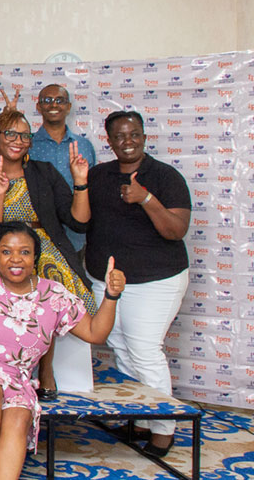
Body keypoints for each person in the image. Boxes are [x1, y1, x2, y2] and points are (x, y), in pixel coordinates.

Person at [0, 223, 124, 480]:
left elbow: (95, 334)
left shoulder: (53, 294)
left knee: (20, 415)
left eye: (24, 252)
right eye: (6, 251)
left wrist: (111, 297)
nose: (15, 259)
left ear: (35, 257)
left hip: (16, 377)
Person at [0, 108, 93, 401]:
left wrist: (80, 181)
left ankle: (45, 368)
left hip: (43, 250)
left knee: (49, 282)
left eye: (24, 135)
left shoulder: (44, 172)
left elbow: (78, 221)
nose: (18, 140)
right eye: (10, 133)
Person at [86, 110, 192, 456]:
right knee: (121, 350)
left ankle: (163, 429)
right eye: (119, 136)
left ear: (145, 137)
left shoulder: (165, 177)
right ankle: (140, 419)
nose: (127, 142)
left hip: (156, 280)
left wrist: (145, 198)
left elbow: (175, 231)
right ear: (110, 140)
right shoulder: (99, 175)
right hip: (107, 280)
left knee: (145, 351)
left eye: (134, 135)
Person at [26, 84, 98, 252]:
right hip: (37, 236)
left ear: (68, 107)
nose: (54, 105)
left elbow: (91, 189)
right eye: (47, 100)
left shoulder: (84, 146)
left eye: (60, 100)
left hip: (75, 236)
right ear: (38, 106)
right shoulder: (27, 145)